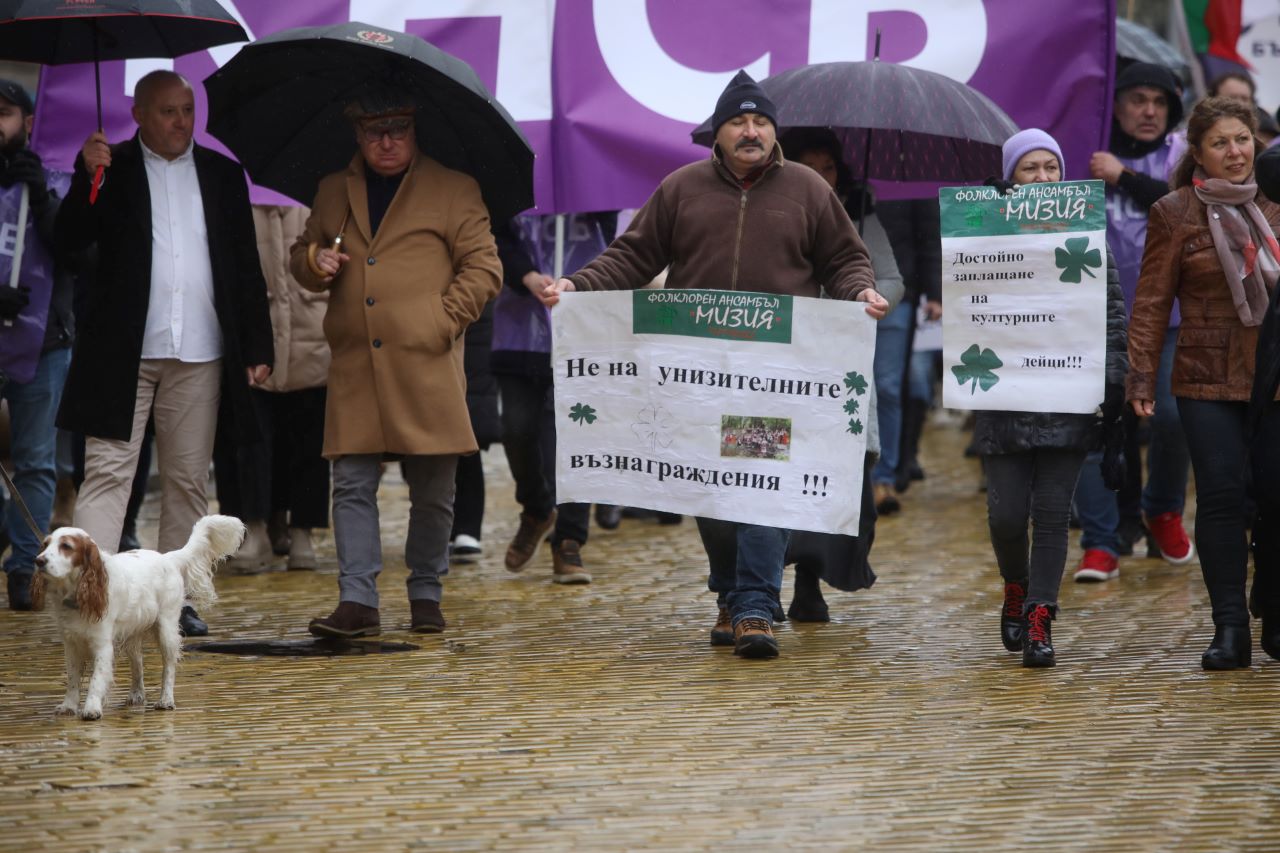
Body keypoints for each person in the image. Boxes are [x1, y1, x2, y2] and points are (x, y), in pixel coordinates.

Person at [539, 70, 887, 658]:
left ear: (773, 131)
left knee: (758, 485)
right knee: (710, 489)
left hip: (774, 375)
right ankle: (728, 591)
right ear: (717, 134)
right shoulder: (681, 188)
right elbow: (633, 255)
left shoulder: (806, 188)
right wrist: (577, 284)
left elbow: (845, 259)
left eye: (760, 122)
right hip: (693, 377)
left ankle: (755, 606)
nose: (750, 131)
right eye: (738, 122)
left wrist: (860, 294)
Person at [53, 70, 273, 637]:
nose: (182, 121)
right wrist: (86, 178)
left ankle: (178, 598)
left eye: (187, 109)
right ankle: (90, 590)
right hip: (120, 352)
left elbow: (245, 267)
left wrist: (257, 344)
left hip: (200, 348)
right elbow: (66, 243)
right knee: (108, 475)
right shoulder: (110, 168)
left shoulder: (223, 175)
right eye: (169, 111)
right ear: (139, 114)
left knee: (187, 479)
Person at [290, 88, 500, 638]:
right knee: (351, 483)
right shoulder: (333, 188)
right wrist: (316, 262)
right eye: (374, 130)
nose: (386, 140)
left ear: (415, 129)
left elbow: (484, 269)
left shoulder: (454, 188)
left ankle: (426, 588)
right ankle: (357, 599)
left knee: (433, 487)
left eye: (398, 129)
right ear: (356, 134)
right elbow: (301, 255)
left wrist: (441, 320)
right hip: (357, 362)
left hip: (426, 361)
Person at [1128, 96, 1280, 670]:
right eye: (1220, 143)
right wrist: (1141, 373)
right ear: (1198, 154)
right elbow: (1150, 302)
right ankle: (1230, 627)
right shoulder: (1175, 211)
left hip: (1274, 372)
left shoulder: (1278, 200)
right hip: (1205, 373)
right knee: (1219, 497)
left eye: (1242, 139)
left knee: (1275, 494)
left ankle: (1275, 609)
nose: (1234, 151)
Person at [977, 130, 1129, 667]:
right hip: (1004, 393)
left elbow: (1112, 313)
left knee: (1051, 512)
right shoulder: (982, 237)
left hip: (1069, 390)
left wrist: (1113, 383)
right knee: (1005, 516)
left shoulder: (1087, 233)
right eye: (1029, 169)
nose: (1043, 179)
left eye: (1051, 168)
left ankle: (1042, 613)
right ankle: (1015, 585)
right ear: (1010, 177)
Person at [777, 127, 904, 621]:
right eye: (809, 166)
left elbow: (891, 278)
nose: (820, 178)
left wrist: (869, 303)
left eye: (828, 167)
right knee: (768, 469)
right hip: (777, 371)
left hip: (838, 372)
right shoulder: (770, 212)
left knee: (834, 477)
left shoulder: (859, 216)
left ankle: (810, 578)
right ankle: (751, 587)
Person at [1079, 62, 1192, 580]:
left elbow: (1180, 206)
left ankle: (1162, 506)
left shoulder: (1180, 153)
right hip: (1096, 315)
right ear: (1115, 104)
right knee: (1100, 425)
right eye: (1137, 99)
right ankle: (1102, 539)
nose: (1149, 111)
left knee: (1171, 417)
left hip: (1169, 317)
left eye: (1160, 102)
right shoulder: (1085, 154)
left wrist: (1122, 177)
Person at [491, 214, 615, 584]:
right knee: (516, 429)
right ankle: (536, 509)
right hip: (518, 334)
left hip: (580, 336)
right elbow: (494, 238)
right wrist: (526, 275)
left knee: (571, 440)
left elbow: (614, 250)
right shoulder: (511, 186)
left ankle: (570, 540)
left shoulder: (599, 197)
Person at [214, 204, 332, 572]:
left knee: (310, 443)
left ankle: (302, 531)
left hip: (313, 333)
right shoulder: (238, 199)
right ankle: (255, 528)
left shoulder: (318, 195)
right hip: (255, 336)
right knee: (250, 441)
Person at [0, 79, 71, 611]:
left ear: (26, 121)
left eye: (3, 114)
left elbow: (76, 251)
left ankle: (26, 566)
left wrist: (43, 199)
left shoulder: (51, 179)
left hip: (43, 340)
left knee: (36, 462)